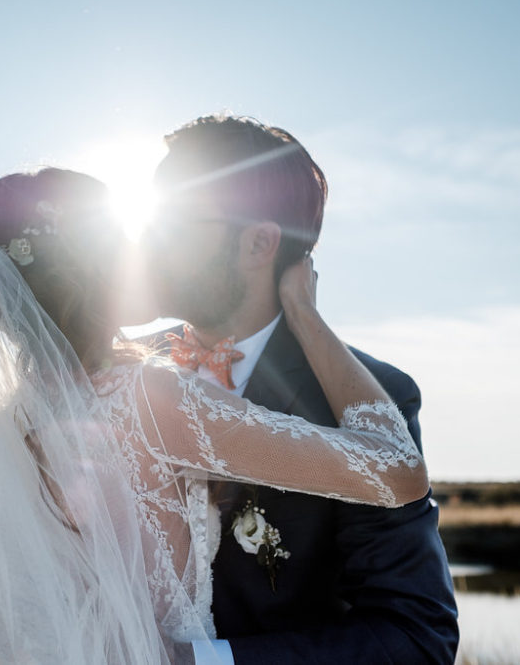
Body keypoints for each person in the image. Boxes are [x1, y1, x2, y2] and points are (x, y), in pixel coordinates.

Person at [0, 167, 429, 664]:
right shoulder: (151, 396)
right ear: (92, 268)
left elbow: (17, 628)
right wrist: (305, 313)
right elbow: (399, 474)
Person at [147, 114, 459, 664]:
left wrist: (202, 663)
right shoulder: (119, 373)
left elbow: (414, 636)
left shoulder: (366, 402)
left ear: (258, 243)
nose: (147, 239)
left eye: (175, 221)